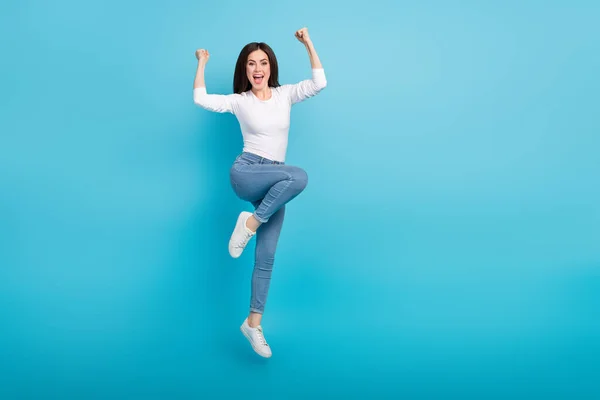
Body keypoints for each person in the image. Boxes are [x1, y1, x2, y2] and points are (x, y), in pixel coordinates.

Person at [192, 27, 327, 358]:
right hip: (248, 172)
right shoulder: (240, 101)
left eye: (263, 62)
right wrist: (202, 62)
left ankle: (253, 324)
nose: (257, 69)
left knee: (266, 257)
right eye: (251, 63)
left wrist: (308, 43)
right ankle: (250, 224)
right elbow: (200, 98)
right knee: (299, 176)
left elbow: (319, 83)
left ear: (271, 67)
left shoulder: (285, 95)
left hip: (273, 184)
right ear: (245, 69)